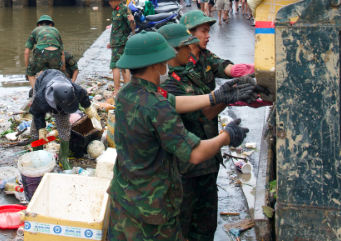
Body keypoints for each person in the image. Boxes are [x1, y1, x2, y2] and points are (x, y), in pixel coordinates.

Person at [106, 31, 252, 240]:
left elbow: (173, 101)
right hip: (153, 211)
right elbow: (195, 153)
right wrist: (227, 136)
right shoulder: (157, 108)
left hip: (124, 200)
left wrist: (215, 97)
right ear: (156, 65)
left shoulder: (126, 94)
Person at [157, 24, 266, 241]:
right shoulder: (169, 84)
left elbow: (209, 102)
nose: (191, 50)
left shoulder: (195, 66)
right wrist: (226, 126)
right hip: (185, 168)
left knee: (205, 228)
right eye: (186, 46)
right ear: (173, 50)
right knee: (182, 227)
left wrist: (231, 95)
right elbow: (200, 114)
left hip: (207, 162)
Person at [30, 69, 99, 169]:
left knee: (64, 127)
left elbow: (83, 95)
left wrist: (88, 107)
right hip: (42, 81)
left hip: (61, 87)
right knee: (36, 128)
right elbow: (36, 111)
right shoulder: (41, 99)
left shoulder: (75, 89)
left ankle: (63, 158)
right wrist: (41, 128)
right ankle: (37, 155)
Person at [105, 0, 135, 94]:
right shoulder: (115, 11)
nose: (110, 2)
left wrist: (132, 20)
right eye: (109, 1)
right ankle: (127, 89)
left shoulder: (124, 10)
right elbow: (115, 29)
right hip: (115, 42)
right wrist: (111, 42)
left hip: (121, 43)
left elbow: (132, 26)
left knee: (115, 65)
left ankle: (117, 90)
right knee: (123, 65)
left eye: (111, 0)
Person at [24, 15, 64, 89]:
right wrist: (63, 68)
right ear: (51, 24)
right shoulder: (56, 30)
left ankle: (37, 93)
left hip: (41, 52)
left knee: (30, 73)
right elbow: (62, 52)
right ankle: (51, 92)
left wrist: (27, 69)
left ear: (39, 24)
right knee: (53, 72)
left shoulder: (36, 30)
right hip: (56, 53)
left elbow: (26, 52)